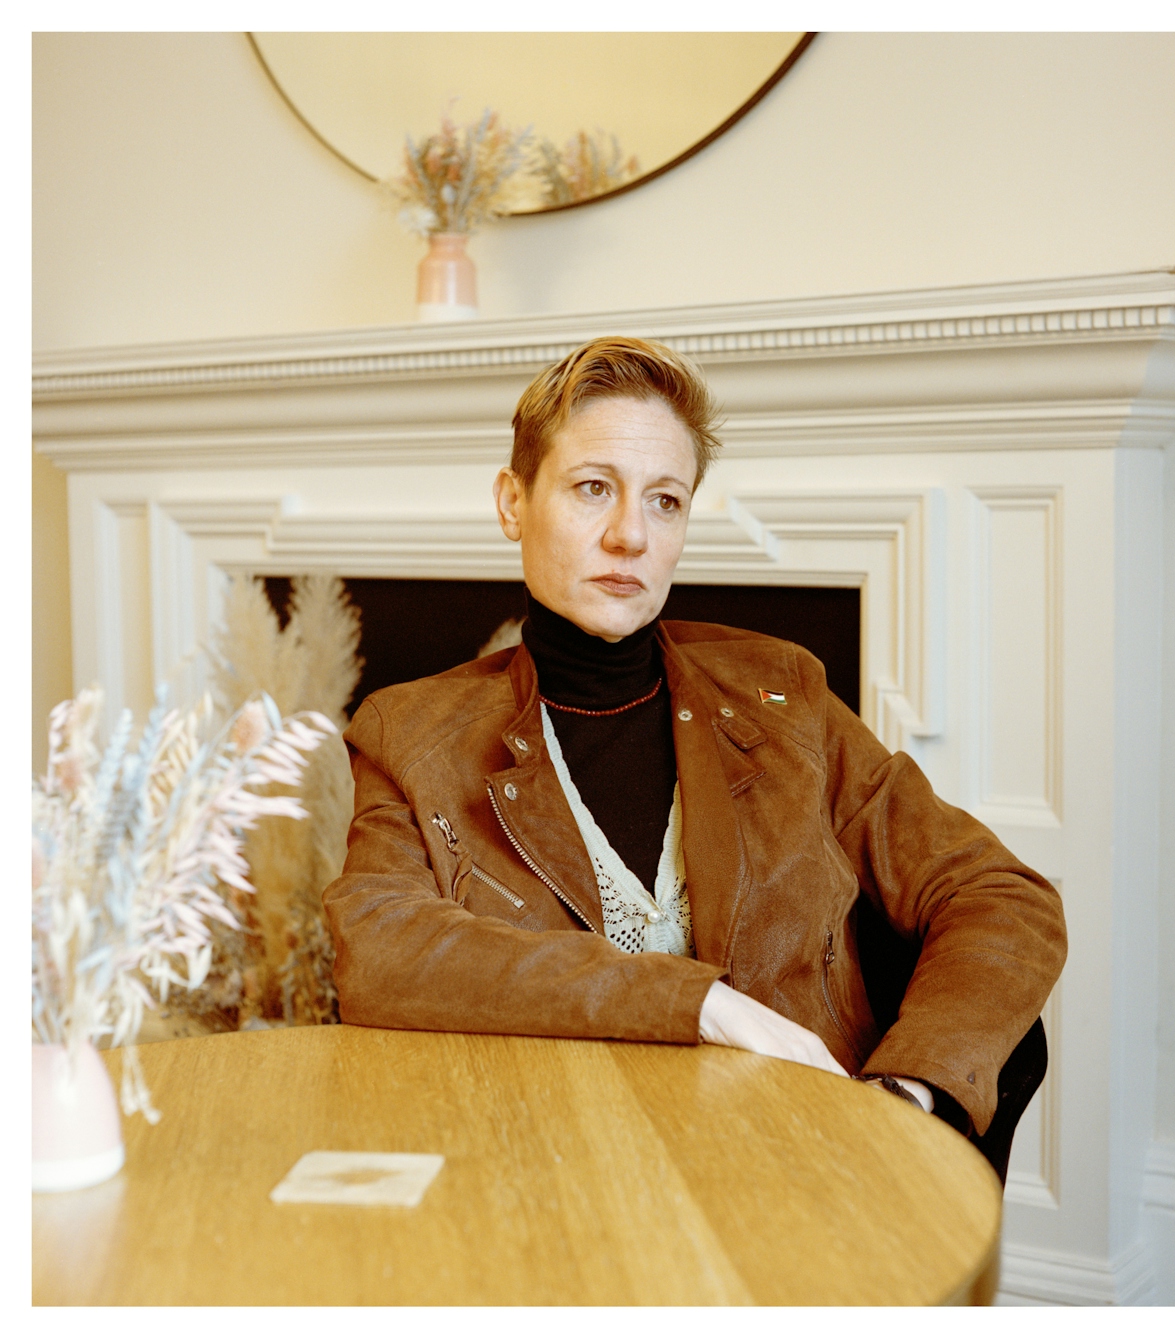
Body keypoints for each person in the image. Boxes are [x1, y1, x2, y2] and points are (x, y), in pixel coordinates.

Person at [324, 336, 1067, 1182]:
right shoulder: (411, 732)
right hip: (555, 1166)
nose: (629, 535)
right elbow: (380, 947)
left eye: (666, 500)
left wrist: (908, 1094)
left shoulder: (782, 697)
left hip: (794, 1158)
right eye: (592, 488)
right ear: (512, 503)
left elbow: (999, 897)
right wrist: (698, 1004)